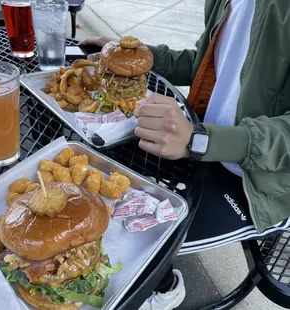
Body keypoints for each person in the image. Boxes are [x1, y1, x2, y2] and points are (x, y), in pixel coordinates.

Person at [80, 0, 290, 309]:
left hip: (261, 186)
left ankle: (164, 290)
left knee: (123, 240)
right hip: (199, 142)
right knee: (97, 171)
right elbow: (206, 61)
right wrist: (135, 55)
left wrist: (200, 141)